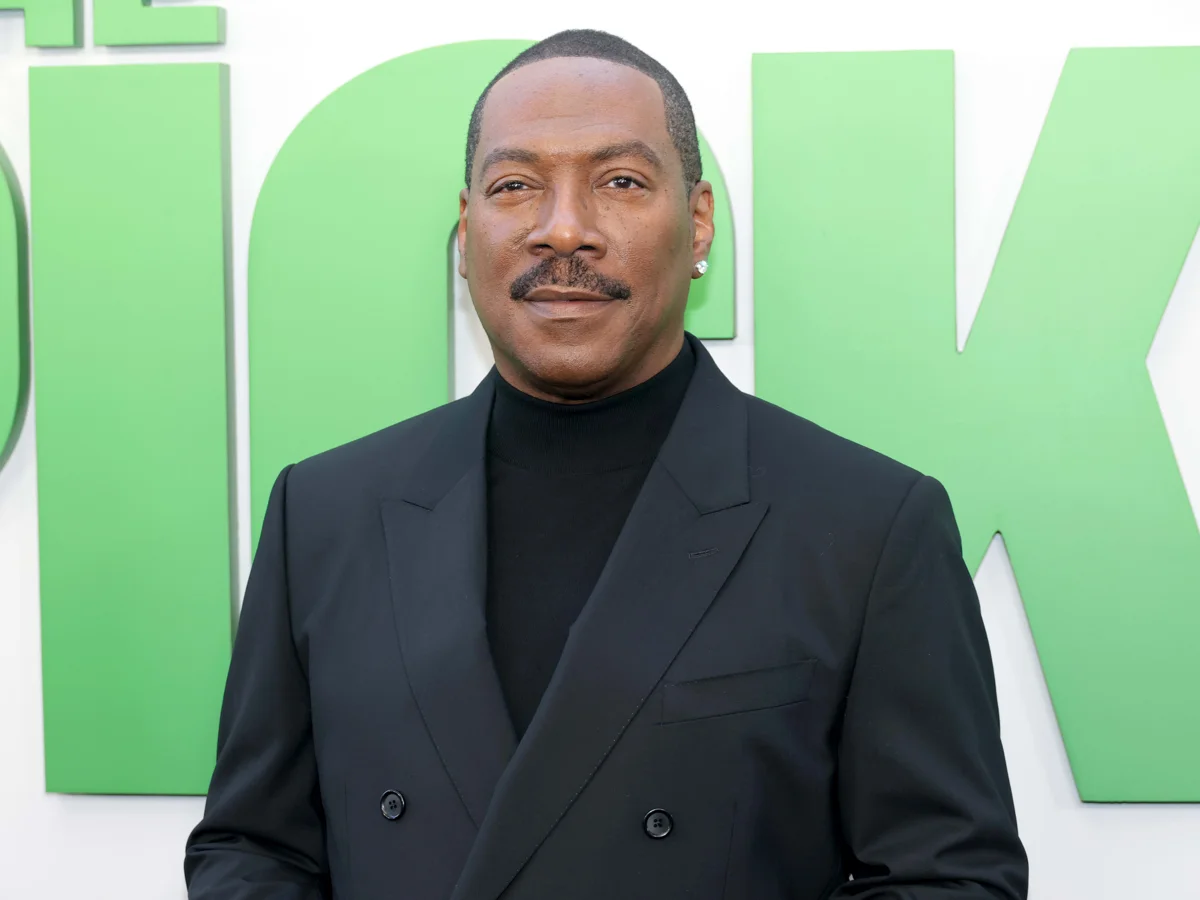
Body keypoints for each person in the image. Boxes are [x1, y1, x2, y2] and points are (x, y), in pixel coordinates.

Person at [185, 29, 1028, 900]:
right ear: (467, 231)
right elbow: (254, 848)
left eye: (620, 182)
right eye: (515, 186)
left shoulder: (868, 527)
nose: (564, 230)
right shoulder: (324, 513)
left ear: (698, 222)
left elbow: (949, 879)